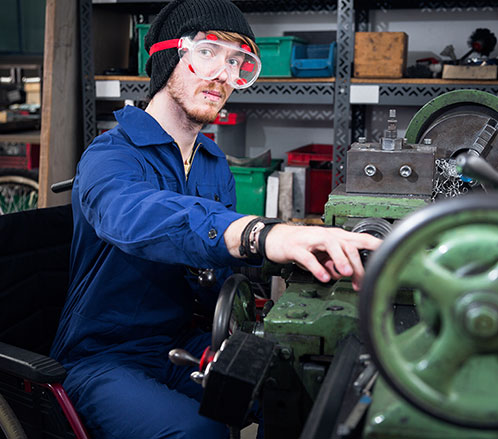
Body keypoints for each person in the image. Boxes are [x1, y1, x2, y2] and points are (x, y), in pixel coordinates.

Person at [50, 0, 382, 437]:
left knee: (299, 391)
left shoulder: (212, 163)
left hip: (186, 340)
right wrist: (257, 233)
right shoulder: (110, 156)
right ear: (168, 55)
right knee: (197, 432)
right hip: (105, 356)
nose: (225, 76)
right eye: (209, 53)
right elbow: (134, 215)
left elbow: (223, 261)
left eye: (239, 63)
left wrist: (305, 248)